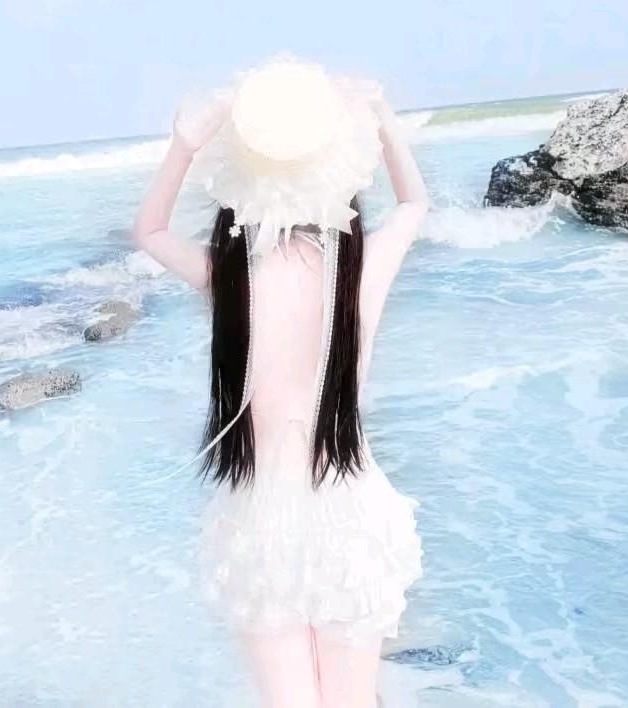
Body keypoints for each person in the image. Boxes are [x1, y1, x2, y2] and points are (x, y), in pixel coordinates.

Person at [133, 57, 429, 708]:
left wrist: (185, 143)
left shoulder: (232, 278)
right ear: (337, 171)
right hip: (349, 507)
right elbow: (414, 203)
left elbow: (149, 230)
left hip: (259, 523)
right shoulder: (357, 271)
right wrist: (380, 120)